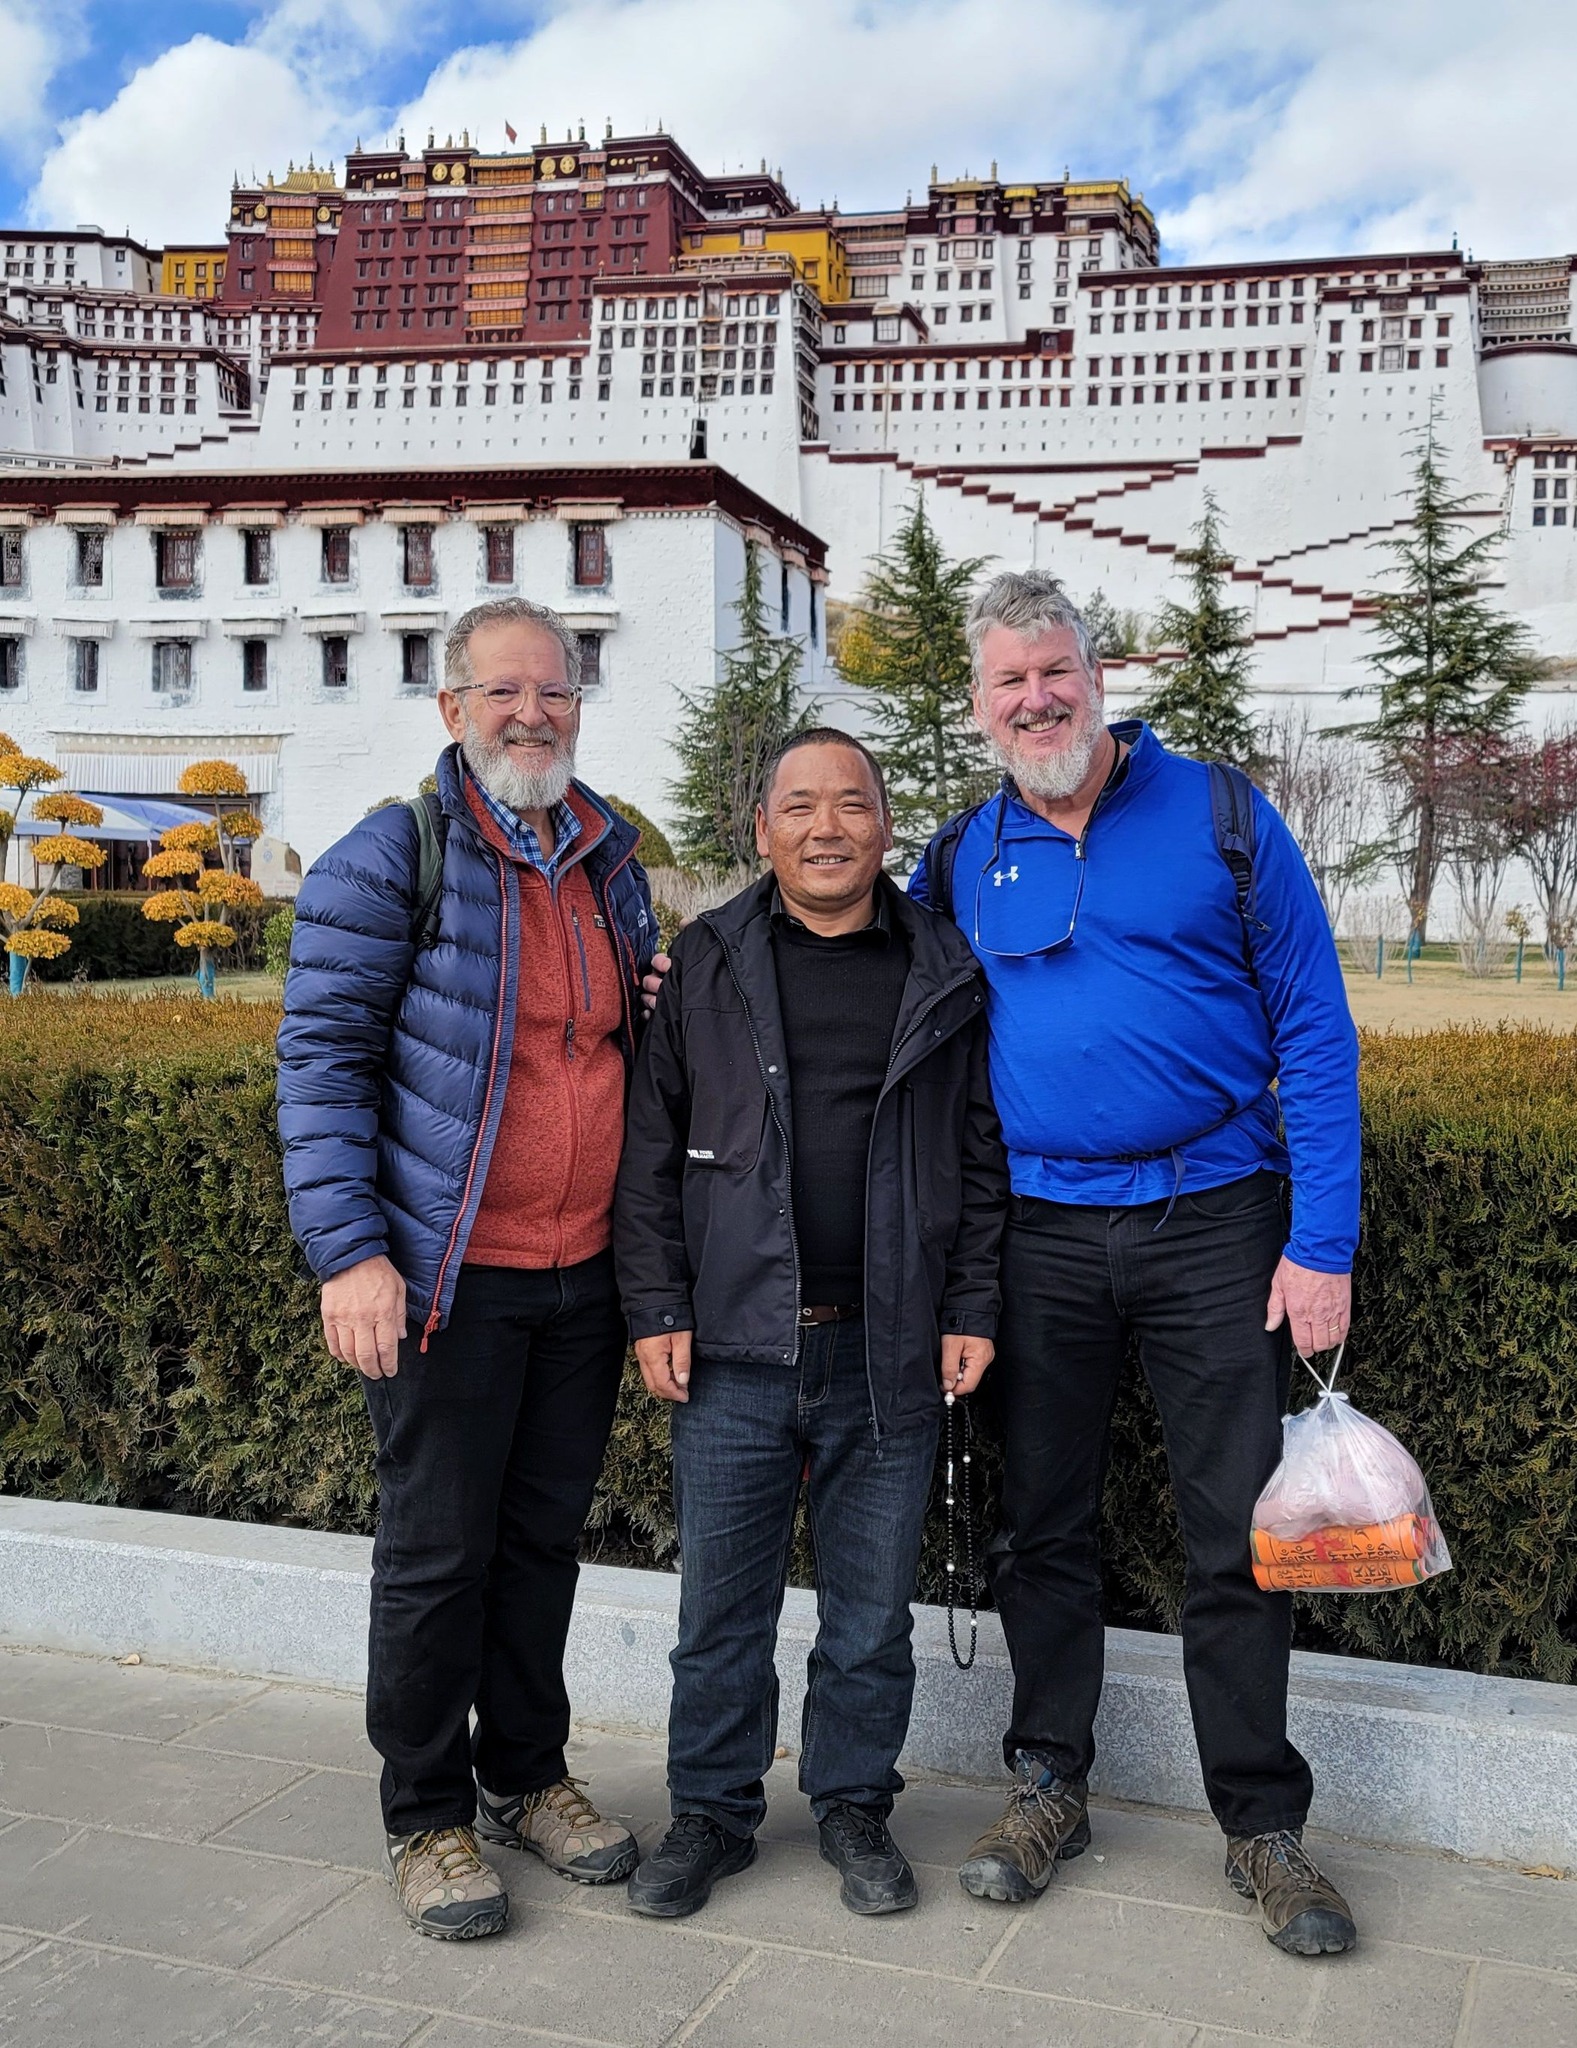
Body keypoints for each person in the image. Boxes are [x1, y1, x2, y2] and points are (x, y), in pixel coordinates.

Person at [912, 570, 1362, 1959]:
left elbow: (1315, 1027)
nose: (1035, 697)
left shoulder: (1225, 818)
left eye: (1056, 670)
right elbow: (862, 981)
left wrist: (1322, 1241)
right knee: (1040, 1525)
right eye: (1008, 680)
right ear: (978, 702)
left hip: (1216, 1219)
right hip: (1036, 1236)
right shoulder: (957, 851)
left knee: (1238, 1532)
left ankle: (1261, 1826)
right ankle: (1049, 1782)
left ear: (1096, 676)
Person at [277, 596, 656, 1941]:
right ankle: (426, 1813)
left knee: (542, 1541)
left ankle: (527, 1776)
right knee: (438, 1553)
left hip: (581, 1275)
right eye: (502, 692)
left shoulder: (609, 856)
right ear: (451, 710)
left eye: (552, 692)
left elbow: (621, 1041)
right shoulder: (394, 855)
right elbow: (321, 1066)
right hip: (448, 1276)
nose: (530, 715)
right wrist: (351, 1254)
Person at [614, 729, 1006, 1921]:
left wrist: (971, 1304)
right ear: (761, 829)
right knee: (717, 1610)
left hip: (888, 1347)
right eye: (799, 806)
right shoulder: (706, 960)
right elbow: (645, 1151)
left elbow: (979, 1153)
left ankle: (851, 1805)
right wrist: (657, 1306)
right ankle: (711, 1813)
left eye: (851, 804)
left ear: (888, 826)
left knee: (869, 1615)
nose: (825, 826)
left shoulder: (944, 962)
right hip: (733, 1344)